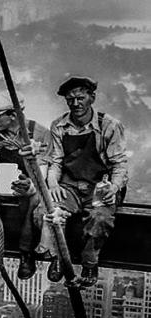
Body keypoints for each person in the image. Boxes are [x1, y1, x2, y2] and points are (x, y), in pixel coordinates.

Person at [36, 76, 127, 287]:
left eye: (80, 98)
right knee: (51, 212)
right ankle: (58, 257)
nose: (76, 104)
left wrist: (113, 187)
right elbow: (55, 161)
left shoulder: (109, 125)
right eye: (70, 99)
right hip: (71, 185)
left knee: (100, 218)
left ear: (91, 98)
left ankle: (89, 263)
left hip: (100, 186)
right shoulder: (59, 125)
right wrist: (53, 185)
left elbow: (119, 164)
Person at [0, 93, 51, 278]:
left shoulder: (40, 133)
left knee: (34, 201)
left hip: (27, 184)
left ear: (13, 115)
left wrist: (29, 184)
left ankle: (26, 252)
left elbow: (42, 171)